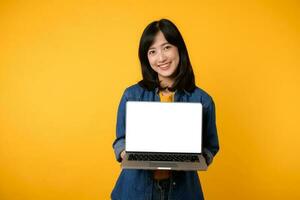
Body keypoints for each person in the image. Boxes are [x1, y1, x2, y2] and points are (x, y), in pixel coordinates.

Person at [111, 19, 219, 200]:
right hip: (135, 191)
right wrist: (127, 153)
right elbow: (120, 140)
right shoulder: (131, 95)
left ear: (179, 49)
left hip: (182, 192)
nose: (161, 58)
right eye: (152, 51)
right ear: (146, 58)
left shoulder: (202, 100)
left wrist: (197, 157)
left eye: (166, 47)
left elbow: (211, 146)